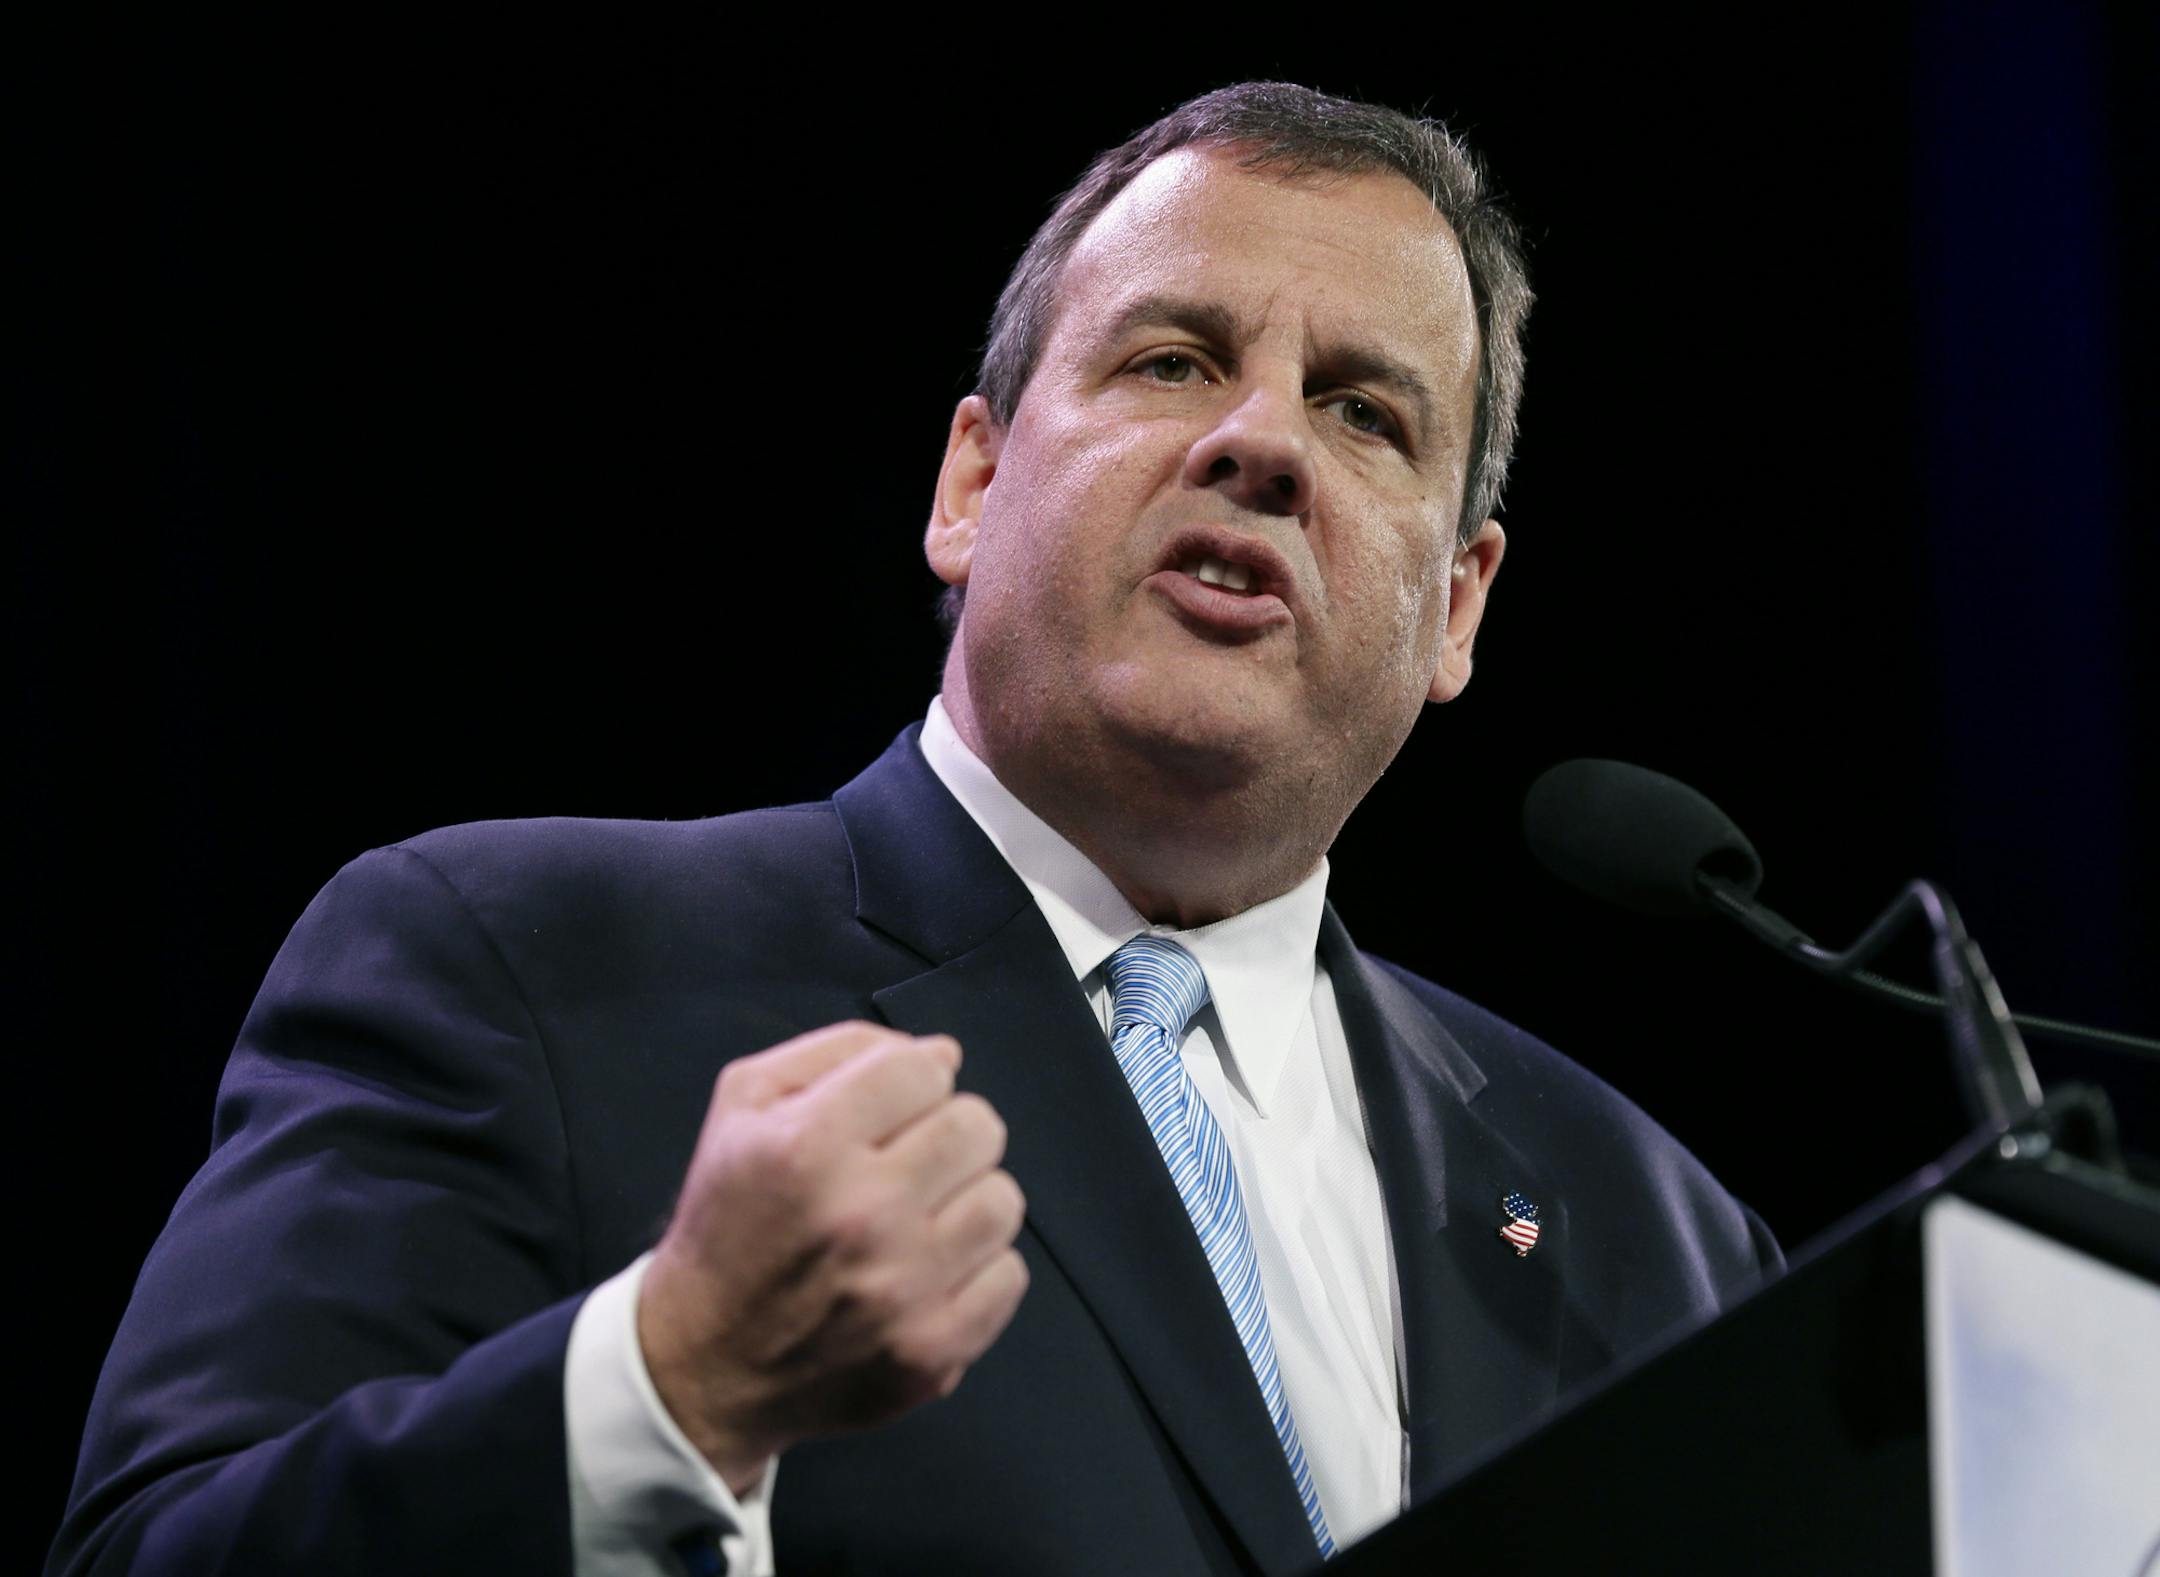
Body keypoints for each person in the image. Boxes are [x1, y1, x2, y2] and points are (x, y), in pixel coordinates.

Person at [52, 83, 1780, 1576]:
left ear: (1459, 603)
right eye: (1176, 359)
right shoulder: (525, 964)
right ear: (972, 483)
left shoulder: (1657, 1234)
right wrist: (668, 1389)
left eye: (1365, 411)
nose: (1261, 442)